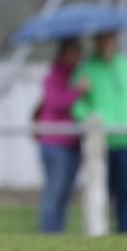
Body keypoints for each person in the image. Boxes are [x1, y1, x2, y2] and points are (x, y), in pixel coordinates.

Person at [72, 32, 127, 233]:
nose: (106, 44)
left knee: (124, 195)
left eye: (109, 40)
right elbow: (76, 104)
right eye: (102, 40)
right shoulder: (86, 69)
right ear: (96, 42)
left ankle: (126, 233)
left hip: (125, 141)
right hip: (100, 143)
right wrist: (91, 119)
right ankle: (100, 234)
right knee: (100, 193)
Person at [34, 38, 84, 233]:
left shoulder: (78, 75)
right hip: (54, 144)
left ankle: (58, 235)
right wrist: (77, 91)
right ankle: (47, 234)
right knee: (53, 194)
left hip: (72, 143)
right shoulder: (53, 77)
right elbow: (55, 103)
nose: (77, 57)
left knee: (65, 194)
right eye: (74, 53)